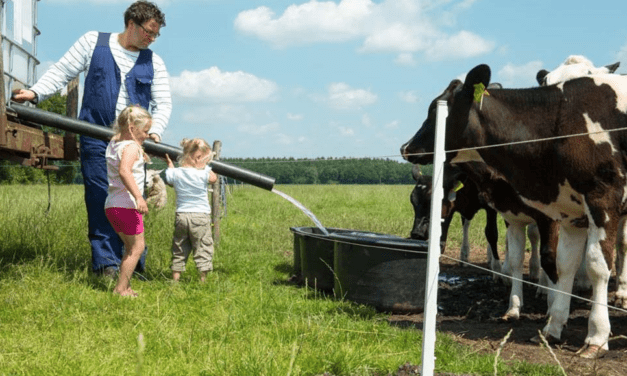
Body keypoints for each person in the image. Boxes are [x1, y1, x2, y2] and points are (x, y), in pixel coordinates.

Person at [12, 1, 172, 277]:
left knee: (133, 201)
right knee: (100, 198)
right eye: (148, 31)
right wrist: (35, 93)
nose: (151, 38)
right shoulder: (93, 42)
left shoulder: (153, 61)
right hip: (96, 138)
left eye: (156, 35)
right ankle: (106, 265)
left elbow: (163, 103)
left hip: (133, 144)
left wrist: (155, 132)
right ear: (131, 24)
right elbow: (62, 72)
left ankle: (133, 265)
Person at [105, 106, 152, 296]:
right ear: (132, 128)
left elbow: (119, 136)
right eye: (146, 131)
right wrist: (140, 197)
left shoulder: (114, 143)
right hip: (127, 205)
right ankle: (120, 289)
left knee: (130, 248)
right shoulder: (131, 148)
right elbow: (125, 171)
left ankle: (125, 285)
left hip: (112, 204)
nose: (147, 136)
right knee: (137, 247)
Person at [163, 138, 218, 282]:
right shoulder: (202, 173)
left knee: (179, 247)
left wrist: (170, 164)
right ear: (198, 158)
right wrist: (206, 167)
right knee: (202, 246)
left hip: (181, 215)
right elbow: (213, 178)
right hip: (200, 216)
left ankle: (175, 279)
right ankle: (203, 279)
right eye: (206, 160)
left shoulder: (176, 173)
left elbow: (169, 178)